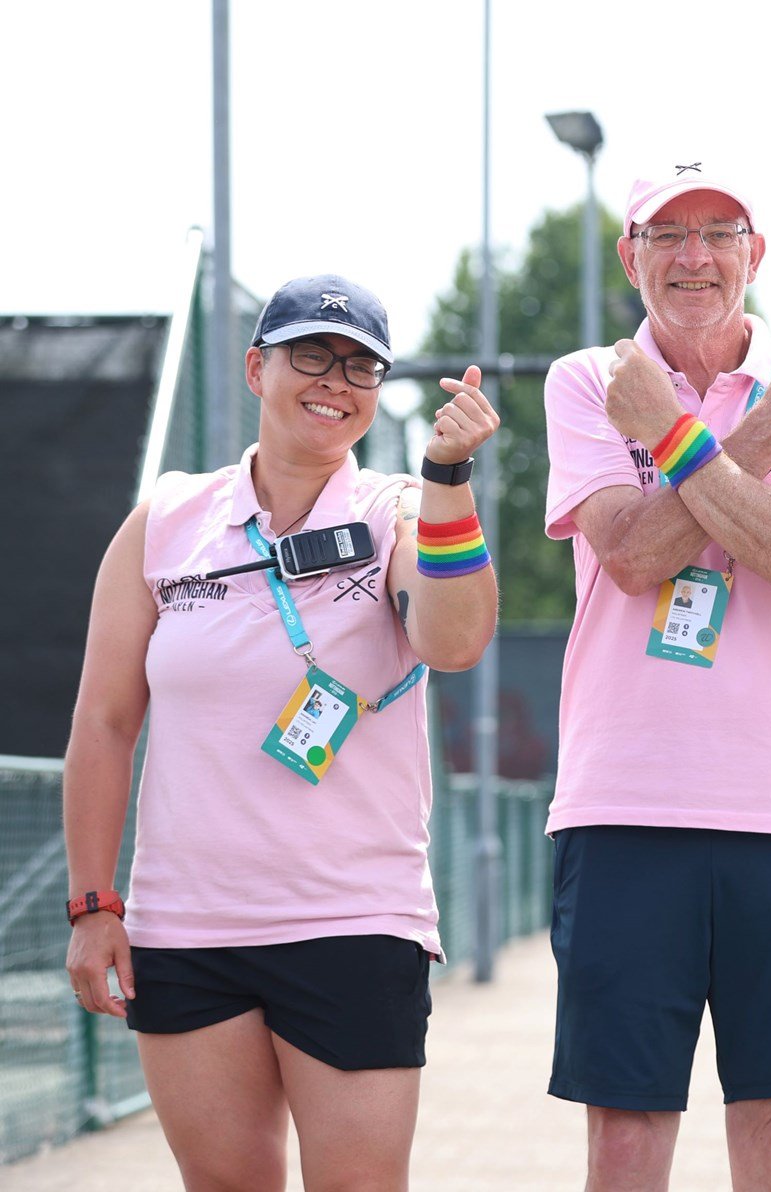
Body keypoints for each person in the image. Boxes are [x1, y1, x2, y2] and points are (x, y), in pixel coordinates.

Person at [63, 273, 500, 1189]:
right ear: (257, 367)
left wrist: (450, 481)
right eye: (311, 355)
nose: (333, 382)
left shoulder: (396, 513)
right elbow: (103, 725)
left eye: (359, 367)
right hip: (186, 927)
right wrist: (95, 906)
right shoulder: (168, 520)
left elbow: (454, 642)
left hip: (352, 919)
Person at [540, 164, 771, 1190]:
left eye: (717, 231)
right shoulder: (587, 381)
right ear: (629, 256)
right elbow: (634, 561)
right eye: (666, 233)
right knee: (627, 1137)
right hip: (623, 804)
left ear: (752, 252)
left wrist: (687, 437)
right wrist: (756, 442)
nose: (692, 256)